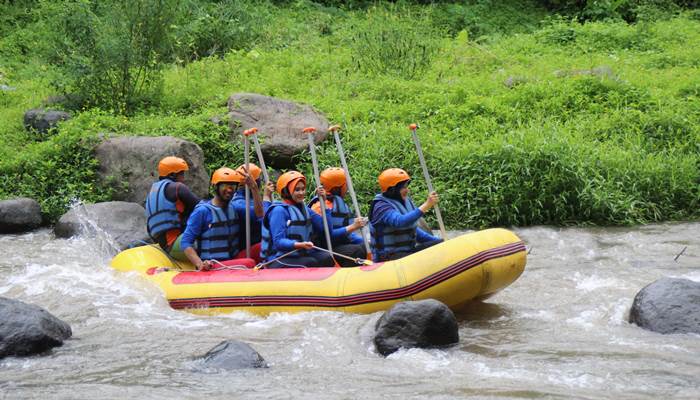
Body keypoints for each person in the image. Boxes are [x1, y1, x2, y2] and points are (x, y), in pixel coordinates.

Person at [261, 171, 365, 269]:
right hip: (279, 258)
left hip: (301, 254)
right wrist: (298, 244)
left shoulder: (304, 209)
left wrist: (324, 203)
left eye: (303, 189)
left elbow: (326, 230)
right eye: (297, 190)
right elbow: (278, 241)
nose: (301, 193)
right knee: (310, 262)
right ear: (286, 191)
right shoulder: (278, 211)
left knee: (327, 257)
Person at [181, 167, 254, 270]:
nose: (229, 190)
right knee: (249, 263)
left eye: (232, 186)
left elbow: (260, 214)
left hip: (233, 261)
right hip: (214, 265)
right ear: (216, 187)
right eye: (224, 186)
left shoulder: (234, 208)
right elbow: (185, 242)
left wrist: (254, 187)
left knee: (258, 249)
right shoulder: (202, 211)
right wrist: (200, 264)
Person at [369, 168, 443, 262]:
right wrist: (427, 205)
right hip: (388, 258)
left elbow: (414, 230)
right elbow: (400, 222)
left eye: (407, 187)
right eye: (403, 187)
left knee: (440, 244)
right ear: (392, 190)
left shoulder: (406, 202)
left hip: (407, 252)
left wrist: (439, 242)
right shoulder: (381, 206)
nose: (407, 190)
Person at [308, 167, 368, 267]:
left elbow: (348, 235)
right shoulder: (319, 207)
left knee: (365, 245)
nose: (347, 188)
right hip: (324, 248)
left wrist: (365, 241)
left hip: (339, 244)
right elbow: (326, 235)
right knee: (356, 251)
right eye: (346, 185)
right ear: (338, 188)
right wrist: (352, 227)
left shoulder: (339, 203)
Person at [145, 156, 201, 261]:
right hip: (178, 245)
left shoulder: (151, 195)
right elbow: (203, 207)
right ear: (172, 175)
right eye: (181, 174)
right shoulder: (177, 188)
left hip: (164, 246)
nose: (183, 178)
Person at [230, 163, 274, 261]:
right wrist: (266, 198)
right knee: (270, 244)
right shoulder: (239, 204)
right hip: (244, 252)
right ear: (255, 182)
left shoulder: (250, 199)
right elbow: (262, 218)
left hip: (255, 248)